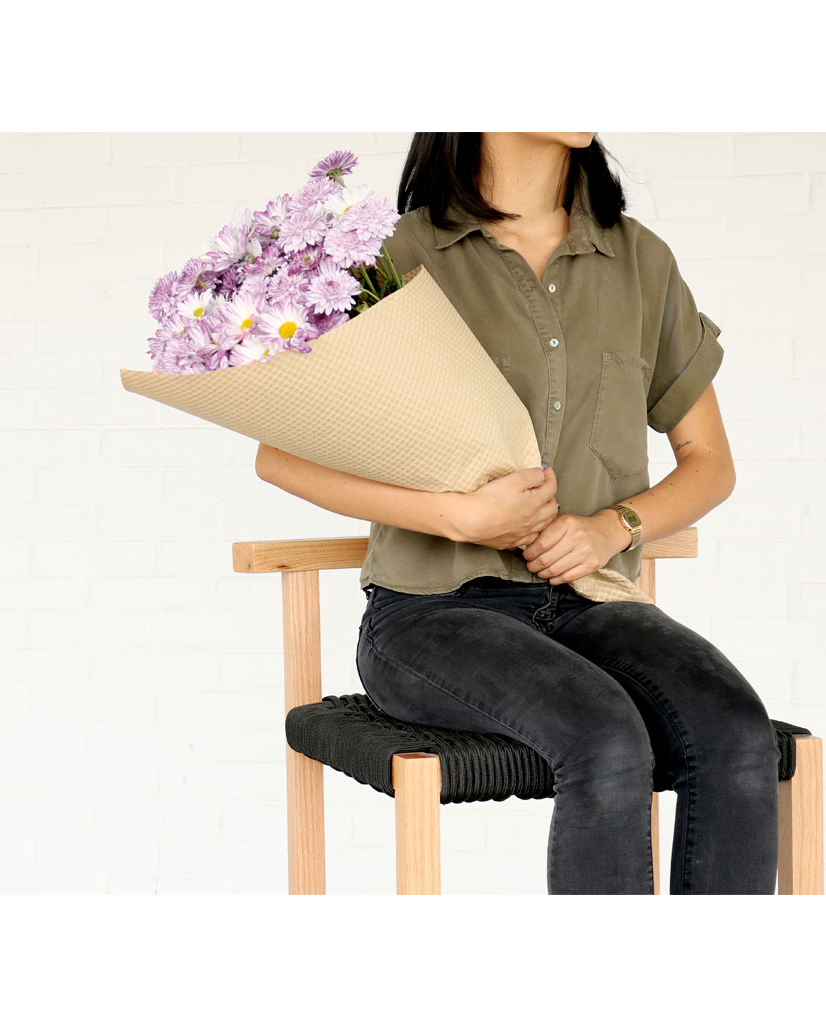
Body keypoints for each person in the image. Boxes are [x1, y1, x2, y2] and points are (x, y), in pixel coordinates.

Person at [254, 132, 780, 895]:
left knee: (737, 735)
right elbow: (280, 456)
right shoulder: (396, 258)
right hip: (431, 616)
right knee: (605, 737)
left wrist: (614, 527)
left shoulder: (639, 260)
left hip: (594, 602)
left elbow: (710, 463)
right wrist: (457, 518)